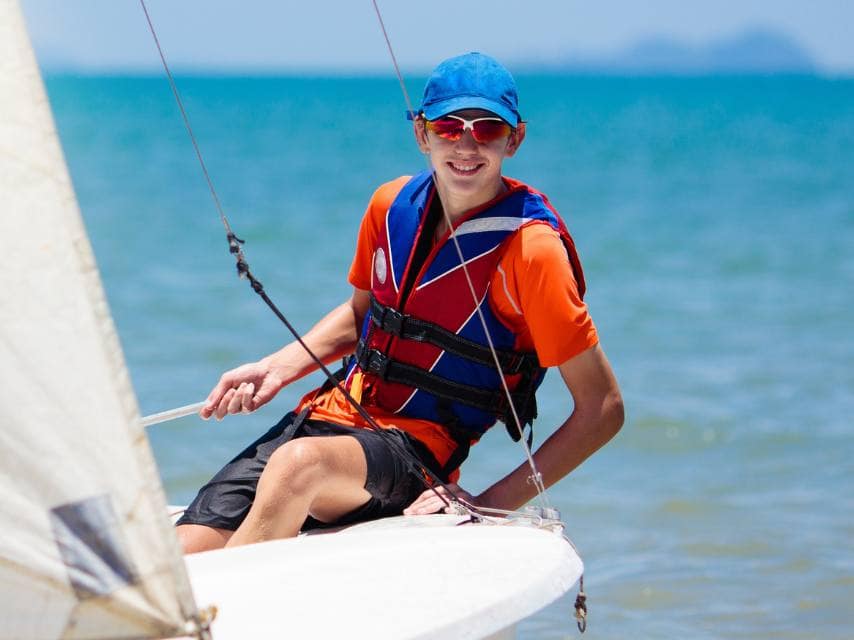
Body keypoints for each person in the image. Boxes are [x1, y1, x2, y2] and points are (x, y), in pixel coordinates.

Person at [176, 52, 624, 553]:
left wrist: (488, 504)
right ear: (422, 134)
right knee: (175, 554)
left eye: (488, 129)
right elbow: (361, 318)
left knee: (297, 467)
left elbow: (603, 408)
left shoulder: (532, 250)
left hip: (417, 454)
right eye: (449, 127)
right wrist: (276, 367)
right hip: (331, 417)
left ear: (514, 139)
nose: (468, 144)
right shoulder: (390, 207)